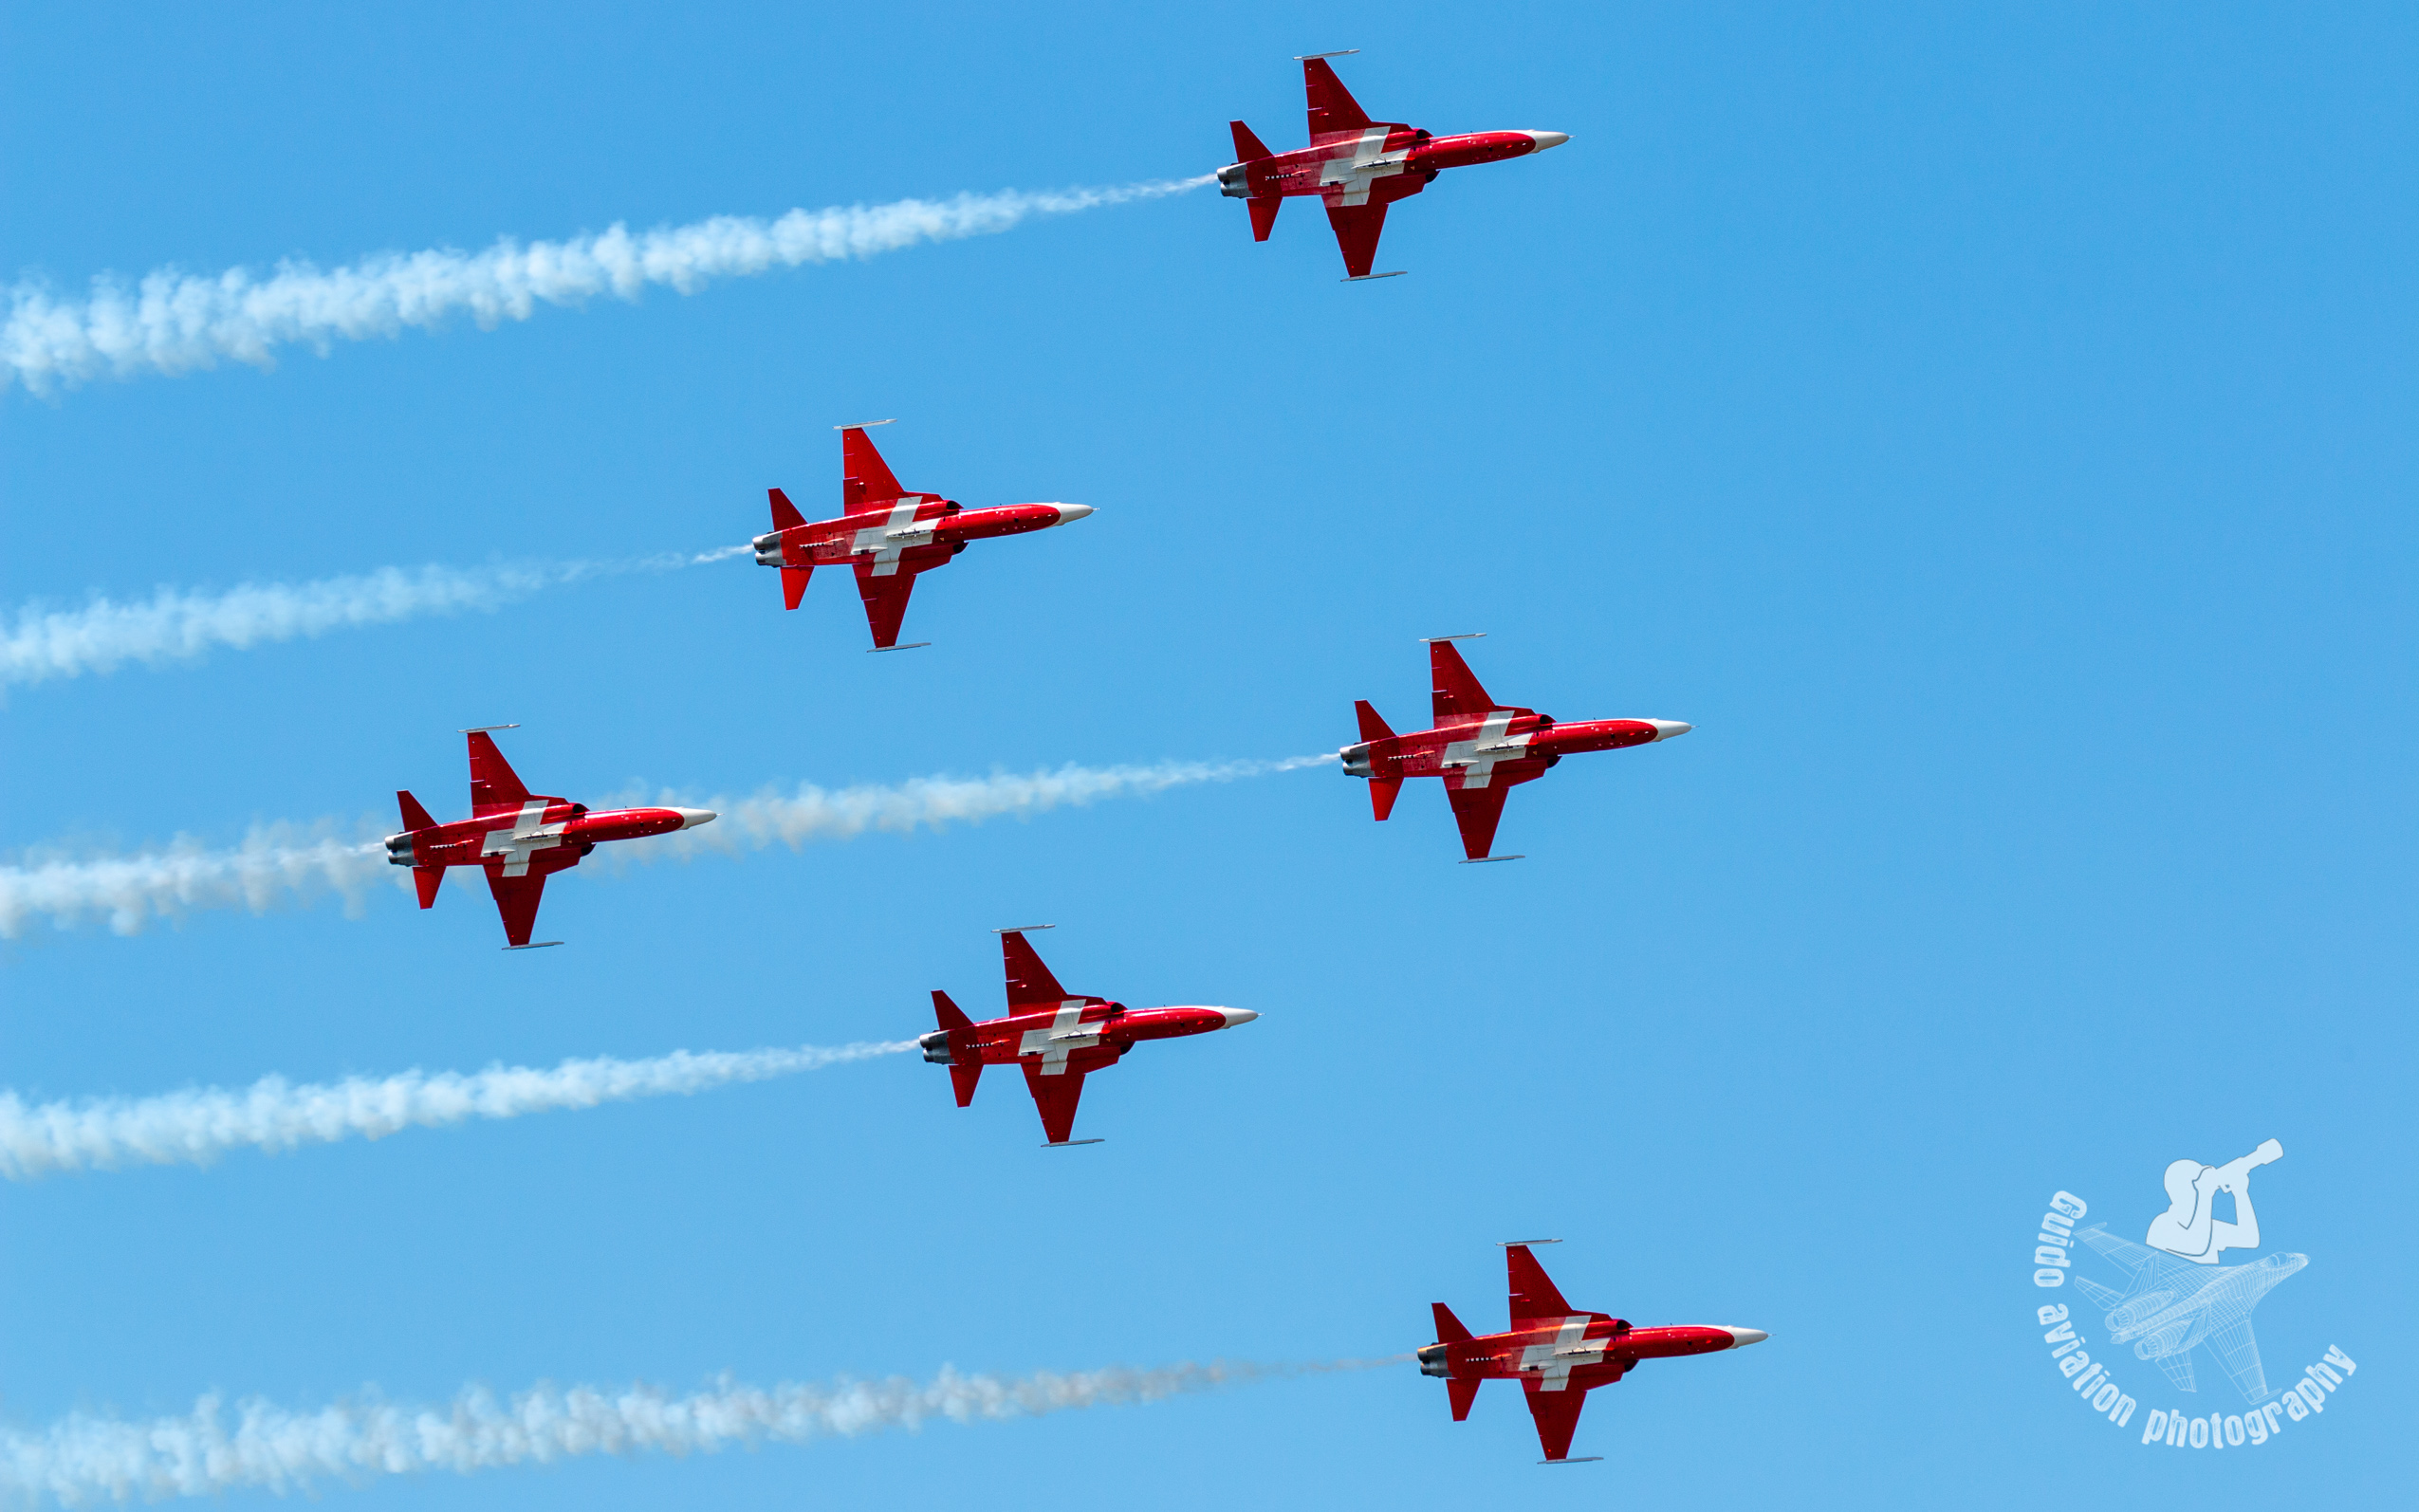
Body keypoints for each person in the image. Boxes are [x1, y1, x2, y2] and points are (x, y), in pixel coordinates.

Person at [2144, 1138, 2282, 1264]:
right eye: (2198, 1181)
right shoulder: (2161, 1226)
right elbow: (2197, 1245)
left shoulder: (2208, 1227)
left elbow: (2250, 1239)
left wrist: (2240, 1193)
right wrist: (2204, 1193)